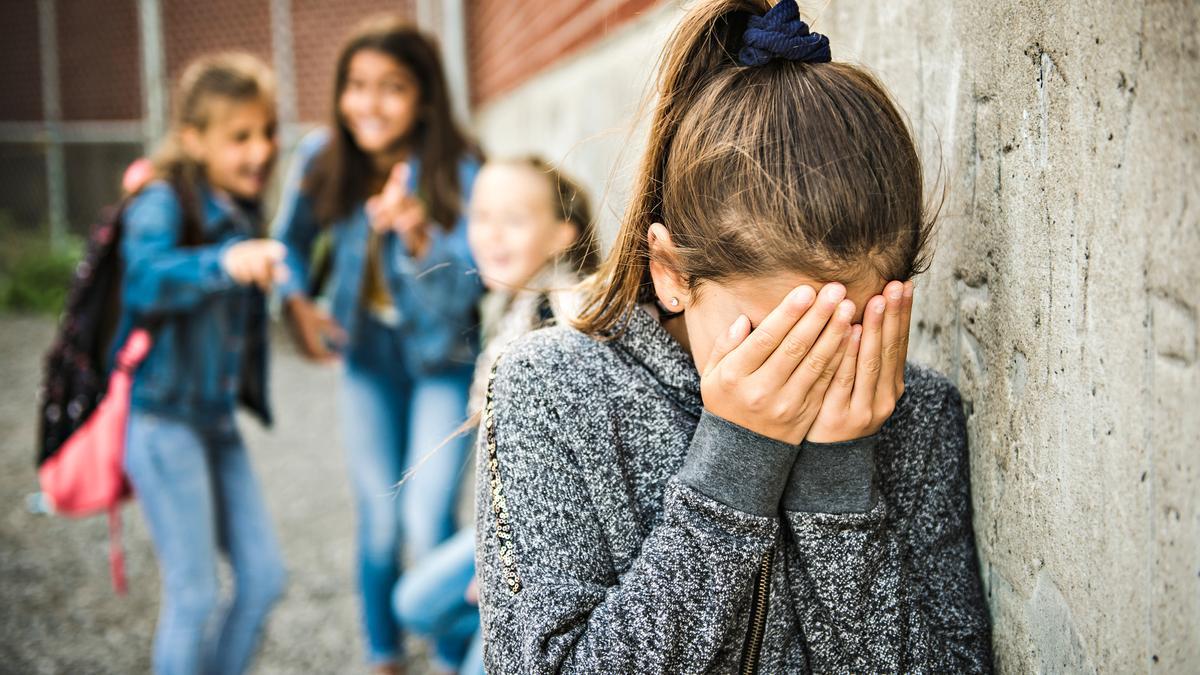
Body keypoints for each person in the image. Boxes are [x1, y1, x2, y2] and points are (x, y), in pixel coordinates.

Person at [475, 1, 994, 672]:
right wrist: (734, 468)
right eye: (776, 337)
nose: (810, 370)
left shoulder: (916, 415)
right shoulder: (550, 390)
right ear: (671, 274)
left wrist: (839, 483)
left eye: (847, 328)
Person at [272, 15, 482, 673]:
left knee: (426, 517)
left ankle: (455, 653)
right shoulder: (321, 158)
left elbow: (467, 293)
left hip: (444, 360)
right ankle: (383, 650)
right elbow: (290, 246)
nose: (370, 102)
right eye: (356, 85)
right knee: (381, 519)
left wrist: (419, 235)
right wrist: (297, 304)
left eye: (392, 87)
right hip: (368, 360)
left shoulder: (460, 168)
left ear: (424, 97)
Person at [393, 156, 599, 675]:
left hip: (550, 544)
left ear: (561, 236)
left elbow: (566, 470)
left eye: (514, 219)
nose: (492, 234)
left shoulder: (562, 316)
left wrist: (503, 568)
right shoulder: (507, 308)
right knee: (413, 603)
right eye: (480, 216)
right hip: (506, 525)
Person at [119, 52, 288, 675]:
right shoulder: (162, 200)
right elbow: (143, 280)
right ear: (193, 138)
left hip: (215, 422)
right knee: (193, 595)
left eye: (266, 132)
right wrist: (223, 263)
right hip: (163, 423)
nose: (260, 150)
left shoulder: (241, 208)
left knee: (265, 578)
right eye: (239, 136)